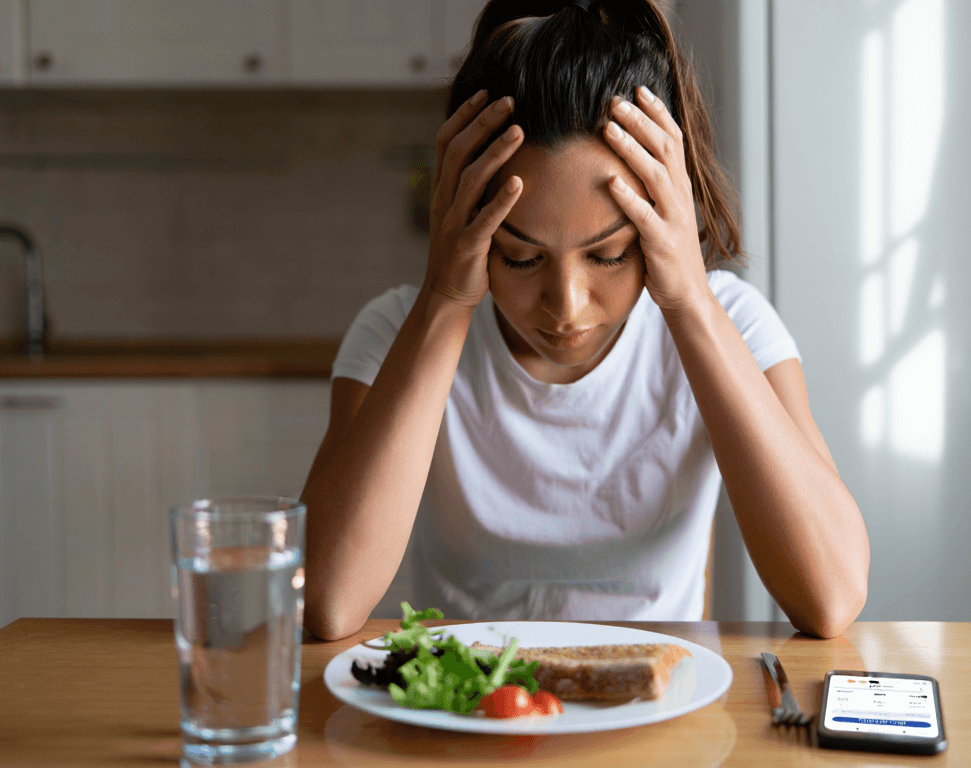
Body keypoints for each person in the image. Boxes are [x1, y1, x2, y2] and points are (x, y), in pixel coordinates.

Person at [301, 0, 869, 641]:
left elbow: (831, 596)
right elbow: (326, 601)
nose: (566, 306)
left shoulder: (732, 323)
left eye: (608, 254)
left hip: (659, 718)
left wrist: (688, 304)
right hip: (473, 727)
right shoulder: (394, 332)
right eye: (519, 257)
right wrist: (443, 301)